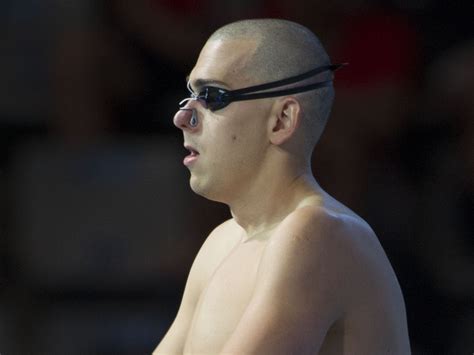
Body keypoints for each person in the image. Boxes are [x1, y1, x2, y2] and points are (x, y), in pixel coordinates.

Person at [154, 18, 410, 354]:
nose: (182, 117)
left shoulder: (320, 234)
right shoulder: (220, 243)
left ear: (282, 120)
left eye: (212, 96)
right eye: (190, 95)